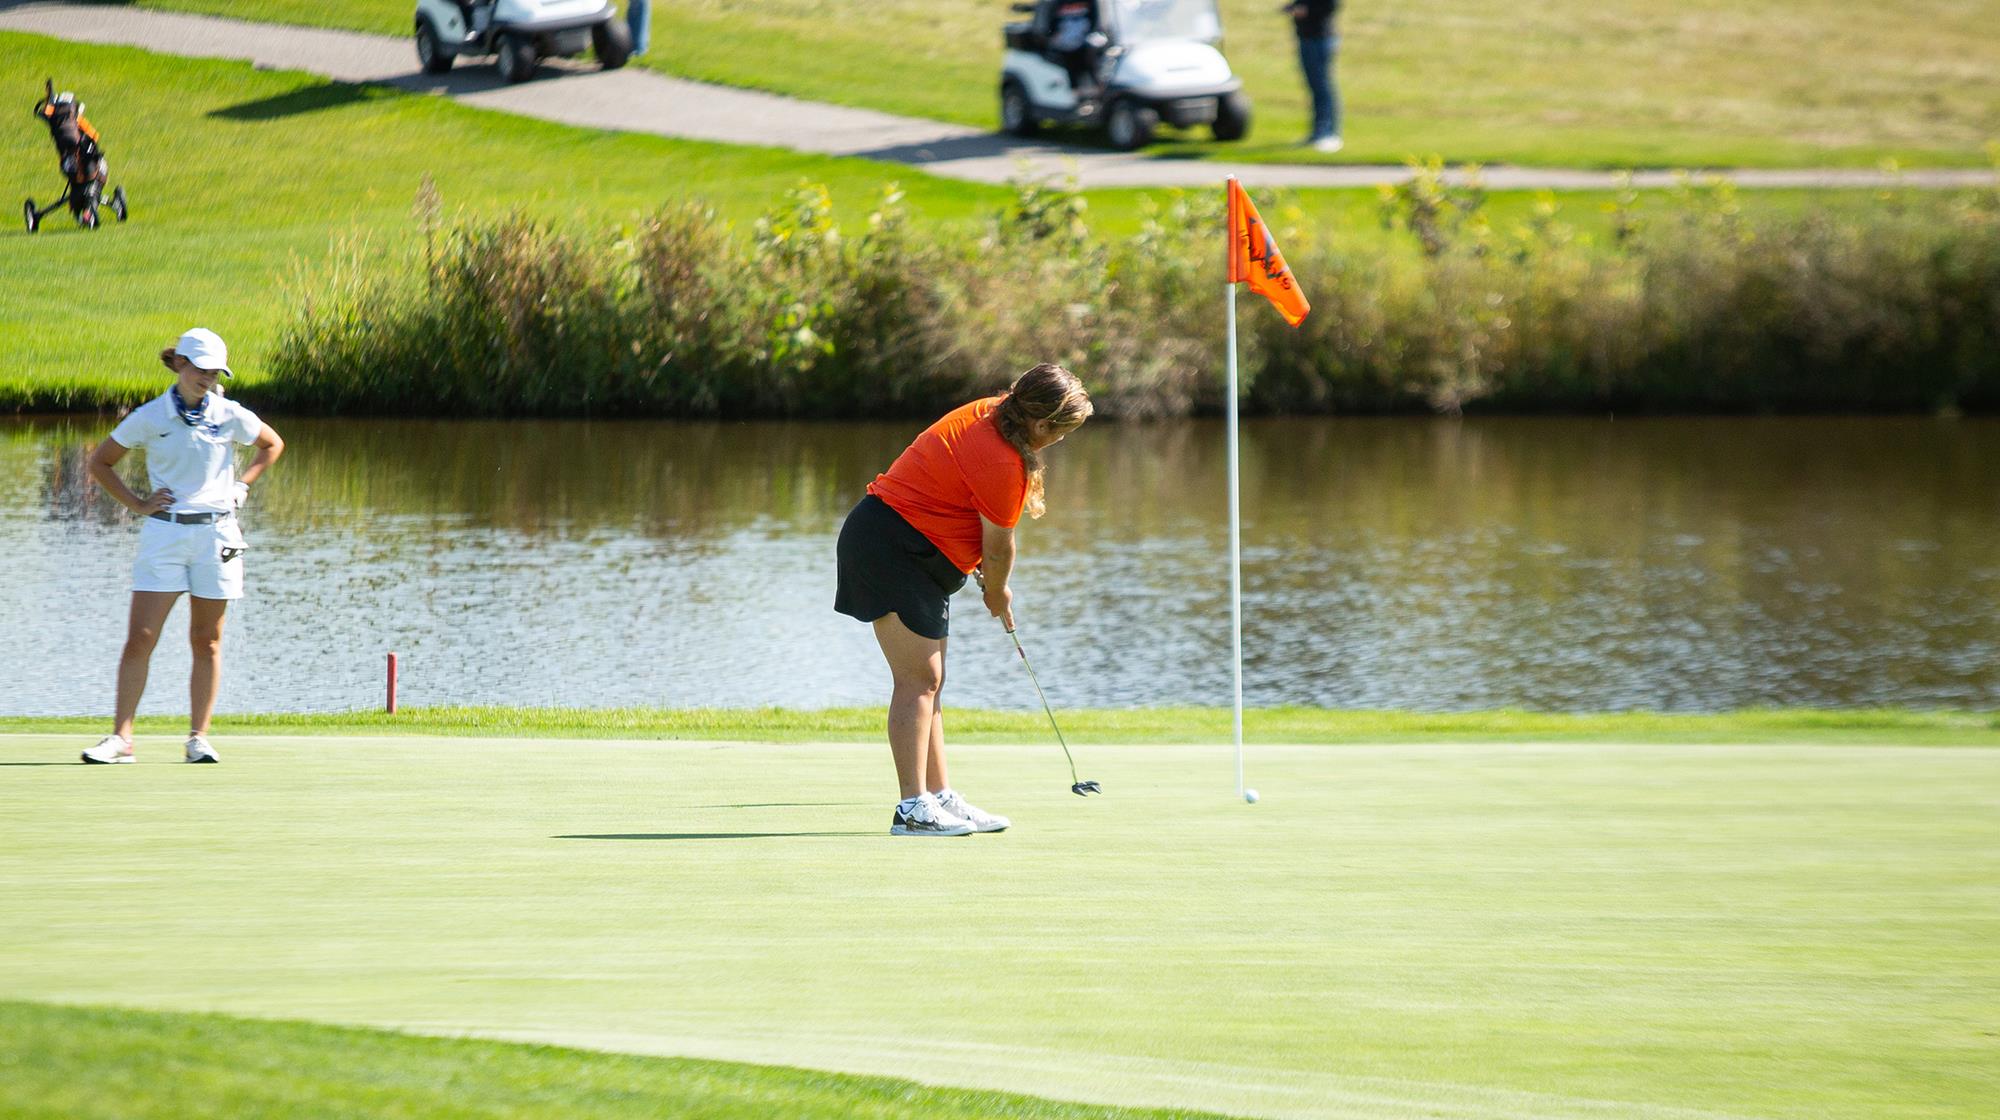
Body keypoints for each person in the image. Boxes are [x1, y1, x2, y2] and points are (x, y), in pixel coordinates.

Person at [835, 364, 1093, 837]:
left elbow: (949, 496)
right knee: (919, 680)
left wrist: (987, 578)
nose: (1060, 442)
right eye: (1062, 433)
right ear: (1041, 425)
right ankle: (912, 809)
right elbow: (998, 548)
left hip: (909, 547)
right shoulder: (1002, 460)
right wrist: (997, 591)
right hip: (890, 546)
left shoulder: (994, 413)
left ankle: (939, 796)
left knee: (931, 682)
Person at [80, 328, 285, 765]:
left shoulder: (229, 414)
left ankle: (198, 739)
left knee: (206, 639)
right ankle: (121, 739)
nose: (207, 378)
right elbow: (101, 461)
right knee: (141, 637)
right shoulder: (151, 416)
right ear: (179, 364)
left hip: (217, 536)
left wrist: (242, 486)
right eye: (200, 369)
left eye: (215, 372)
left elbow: (272, 444)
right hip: (165, 534)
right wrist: (138, 504)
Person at [1286, 0, 1342, 152]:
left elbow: (1330, 6)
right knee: (1315, 87)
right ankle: (1318, 131)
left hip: (1320, 38)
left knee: (1322, 86)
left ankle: (1329, 132)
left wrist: (1306, 10)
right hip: (1306, 37)